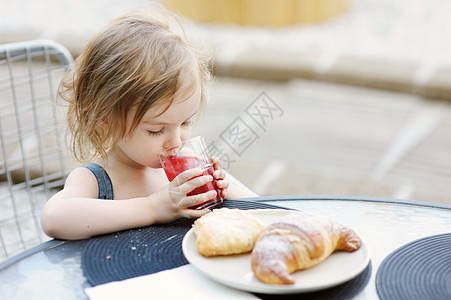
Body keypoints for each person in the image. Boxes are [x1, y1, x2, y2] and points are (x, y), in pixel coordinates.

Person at [41, 8, 257, 240]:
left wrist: (223, 191)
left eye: (186, 122)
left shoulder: (185, 167)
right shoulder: (96, 180)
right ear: (103, 118)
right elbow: (54, 218)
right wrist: (153, 208)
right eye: (156, 130)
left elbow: (261, 206)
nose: (176, 141)